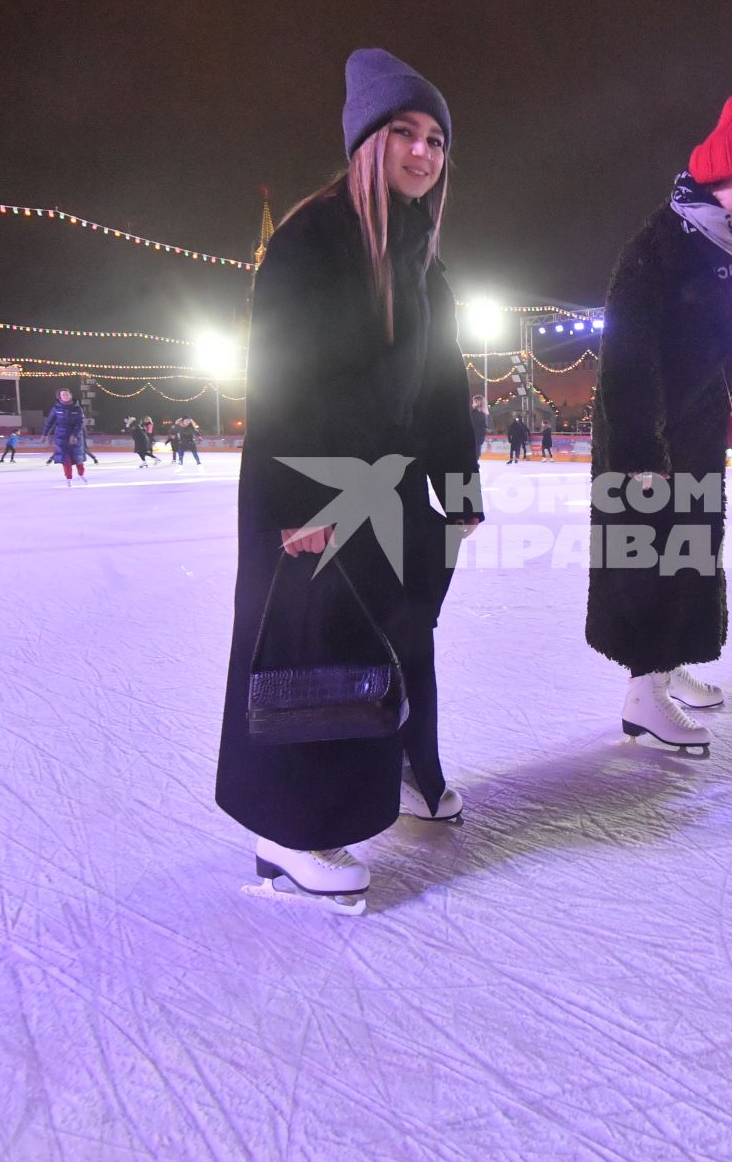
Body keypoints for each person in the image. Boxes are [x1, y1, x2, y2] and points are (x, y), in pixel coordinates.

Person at [216, 48, 483, 912]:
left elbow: (442, 381)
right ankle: (287, 833)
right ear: (366, 138)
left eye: (436, 139)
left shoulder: (421, 253)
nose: (422, 152)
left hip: (392, 484)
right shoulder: (312, 240)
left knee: (402, 629)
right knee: (313, 645)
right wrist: (312, 506)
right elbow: (286, 382)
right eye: (403, 131)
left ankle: (409, 769)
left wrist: (461, 485)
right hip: (317, 484)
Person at [587, 93, 732, 755]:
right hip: (650, 443)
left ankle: (666, 667)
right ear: (708, 182)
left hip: (694, 440)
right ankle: (644, 695)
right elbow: (628, 352)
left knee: (690, 555)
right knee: (652, 559)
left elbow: (723, 350)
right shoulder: (663, 248)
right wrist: (642, 448)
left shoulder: (725, 258)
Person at [42, 388, 86, 485]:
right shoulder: (56, 409)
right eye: (63, 395)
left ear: (70, 395)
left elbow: (80, 422)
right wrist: (45, 434)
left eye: (67, 394)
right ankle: (68, 477)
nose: (65, 396)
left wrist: (74, 435)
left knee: (78, 458)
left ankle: (81, 474)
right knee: (65, 459)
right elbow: (49, 422)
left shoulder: (77, 408)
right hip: (61, 437)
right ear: (60, 397)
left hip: (75, 437)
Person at [468, 394, 487, 460]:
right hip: (478, 439)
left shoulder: (474, 414)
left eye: (473, 402)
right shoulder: (483, 414)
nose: (472, 404)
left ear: (477, 403)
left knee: (474, 455)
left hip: (474, 439)